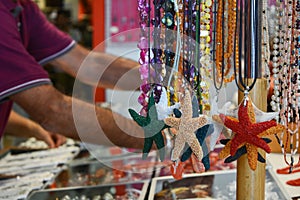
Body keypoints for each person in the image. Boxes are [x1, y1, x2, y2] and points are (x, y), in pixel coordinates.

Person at [0, 0, 144, 149]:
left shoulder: (23, 8)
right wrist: (151, 137)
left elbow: (87, 63)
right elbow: (53, 110)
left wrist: (158, 78)